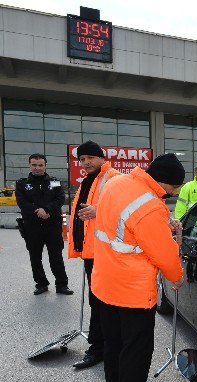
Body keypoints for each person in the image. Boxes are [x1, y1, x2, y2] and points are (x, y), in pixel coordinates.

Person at [91, 153, 185, 382]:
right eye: (175, 188)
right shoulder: (152, 207)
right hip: (132, 291)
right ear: (165, 183)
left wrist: (161, 227)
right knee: (136, 350)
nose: (174, 193)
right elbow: (165, 256)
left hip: (105, 283)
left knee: (113, 344)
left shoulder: (116, 184)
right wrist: (176, 278)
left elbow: (123, 226)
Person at [68, 141, 120, 369]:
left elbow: (126, 209)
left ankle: (101, 349)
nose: (86, 162)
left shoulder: (114, 178)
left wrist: (99, 211)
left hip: (106, 253)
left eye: (90, 157)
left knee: (104, 303)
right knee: (97, 301)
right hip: (92, 252)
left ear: (101, 158)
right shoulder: (88, 181)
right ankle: (101, 347)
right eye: (82, 159)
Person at [15, 154, 73, 295]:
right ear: (30, 165)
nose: (37, 168)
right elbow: (22, 202)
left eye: (40, 165)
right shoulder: (22, 184)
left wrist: (46, 209)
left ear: (45, 165)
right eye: (34, 165)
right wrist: (38, 211)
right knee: (35, 257)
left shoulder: (54, 182)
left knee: (56, 257)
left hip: (52, 226)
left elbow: (60, 198)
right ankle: (41, 284)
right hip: (32, 227)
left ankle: (61, 285)